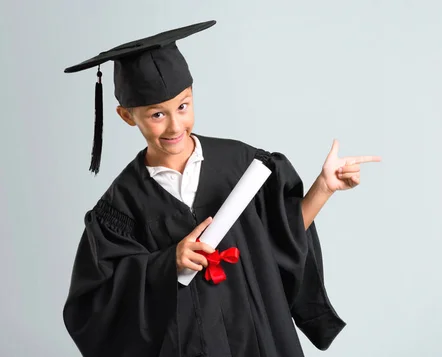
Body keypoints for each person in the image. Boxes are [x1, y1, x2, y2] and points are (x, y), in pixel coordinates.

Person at [62, 20, 381, 357]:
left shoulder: (243, 165)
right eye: (157, 114)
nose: (174, 125)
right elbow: (97, 306)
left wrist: (323, 187)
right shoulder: (120, 207)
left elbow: (281, 239)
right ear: (127, 116)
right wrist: (166, 264)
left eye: (183, 106)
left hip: (256, 337)